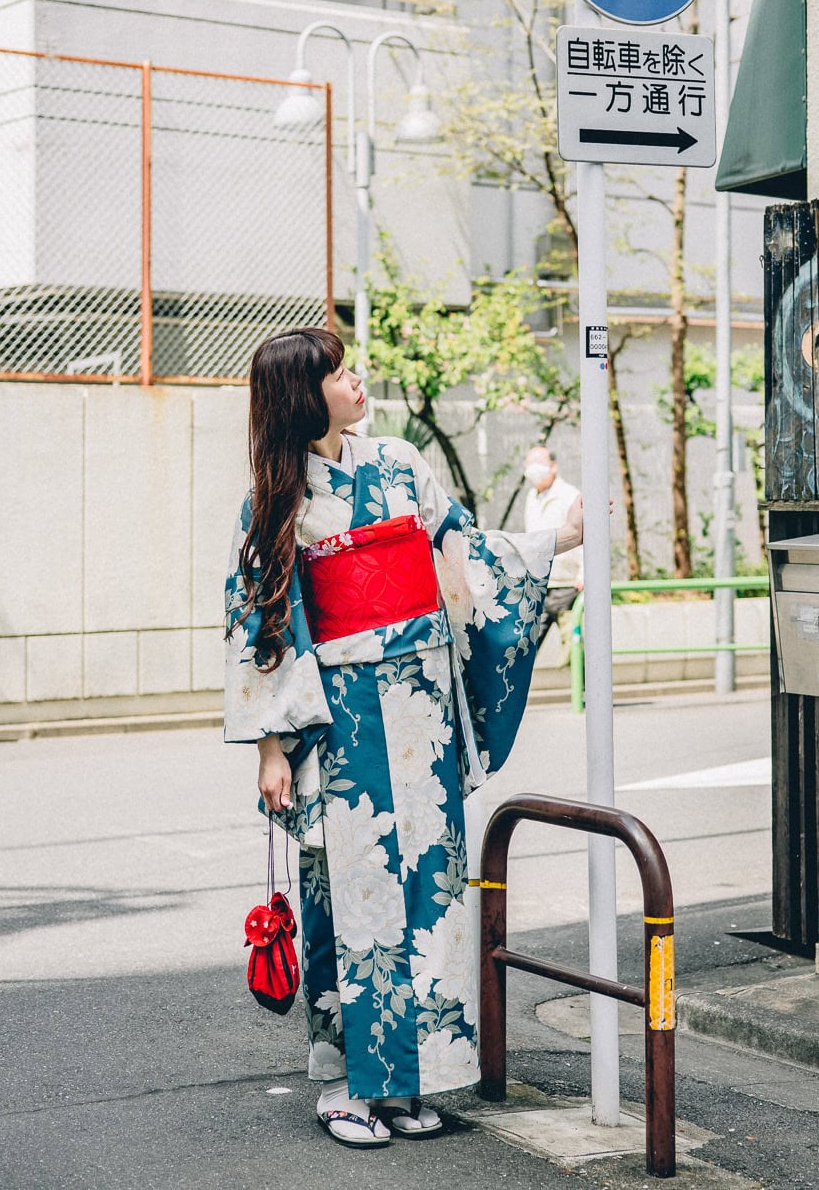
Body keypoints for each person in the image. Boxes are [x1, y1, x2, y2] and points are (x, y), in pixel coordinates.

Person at [224, 329, 583, 1150]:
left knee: (431, 892)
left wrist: (549, 544)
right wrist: (270, 747)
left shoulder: (400, 463)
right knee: (353, 900)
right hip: (343, 722)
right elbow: (260, 620)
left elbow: (465, 552)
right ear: (302, 395)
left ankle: (408, 1081)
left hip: (422, 713)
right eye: (340, 372)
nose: (357, 381)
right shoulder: (277, 499)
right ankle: (349, 1085)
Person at [523, 446, 584, 644]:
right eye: (530, 463)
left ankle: (582, 675)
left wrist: (584, 573)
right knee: (527, 645)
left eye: (539, 462)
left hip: (568, 585)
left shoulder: (569, 495)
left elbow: (585, 534)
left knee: (574, 645)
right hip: (540, 583)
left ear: (553, 466)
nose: (534, 468)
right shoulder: (532, 497)